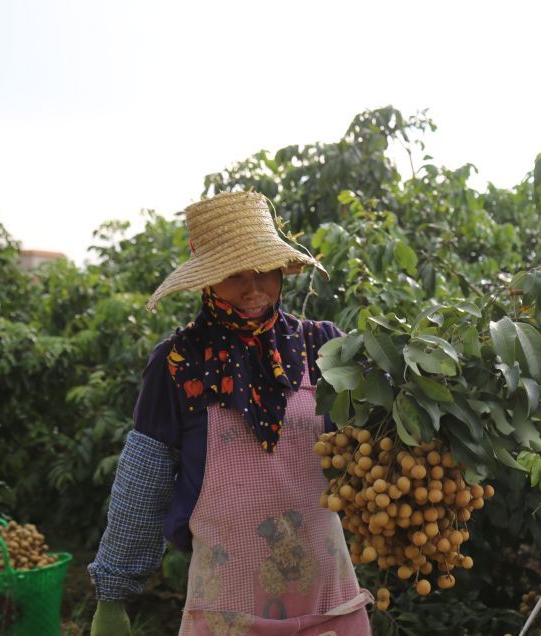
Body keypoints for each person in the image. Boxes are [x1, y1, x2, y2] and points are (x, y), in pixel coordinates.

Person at [88, 191, 373, 635]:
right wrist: (113, 594)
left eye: (264, 272)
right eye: (234, 275)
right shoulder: (178, 363)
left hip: (328, 603)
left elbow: (378, 433)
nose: (254, 289)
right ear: (208, 280)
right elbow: (143, 482)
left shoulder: (322, 346)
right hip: (226, 608)